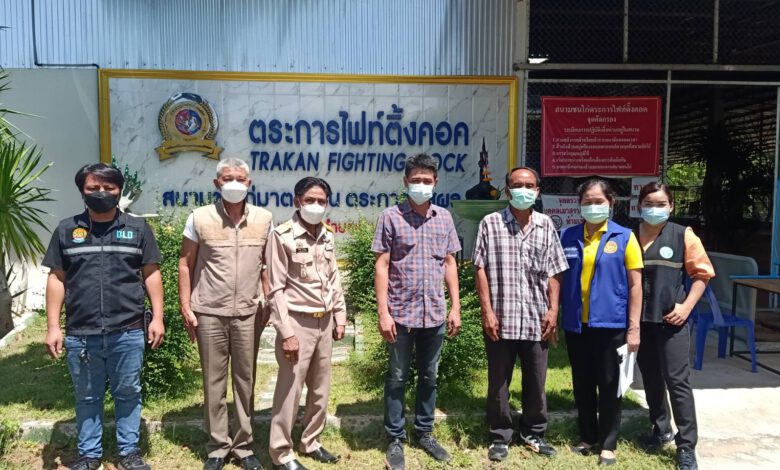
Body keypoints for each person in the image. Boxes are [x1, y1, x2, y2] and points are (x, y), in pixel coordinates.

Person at [43, 163, 165, 470]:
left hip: (128, 330)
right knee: (87, 397)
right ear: (82, 191)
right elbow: (57, 278)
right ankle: (89, 455)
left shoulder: (138, 229)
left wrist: (158, 317)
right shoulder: (66, 230)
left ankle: (129, 453)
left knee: (128, 394)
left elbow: (151, 273)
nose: (101, 193)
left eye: (109, 187)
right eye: (93, 187)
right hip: (81, 334)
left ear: (119, 190)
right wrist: (53, 326)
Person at [178, 158, 272, 470]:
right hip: (209, 311)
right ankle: (218, 447)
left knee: (246, 380)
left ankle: (243, 446)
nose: (234, 183)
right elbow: (185, 263)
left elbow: (266, 265)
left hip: (248, 312)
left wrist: (269, 301)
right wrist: (185, 305)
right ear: (217, 183)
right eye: (227, 178)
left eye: (240, 178)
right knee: (213, 381)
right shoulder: (199, 217)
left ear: (249, 183)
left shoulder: (264, 219)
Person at [473, 167, 569, 462]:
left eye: (529, 186)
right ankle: (500, 435)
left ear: (538, 191)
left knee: (536, 382)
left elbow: (555, 270)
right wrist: (487, 311)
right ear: (507, 190)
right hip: (501, 319)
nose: (523, 190)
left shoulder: (545, 225)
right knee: (498, 383)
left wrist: (553, 310)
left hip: (536, 319)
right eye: (517, 185)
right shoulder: (490, 223)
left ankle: (533, 432)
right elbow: (480, 268)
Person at [372, 153, 462, 470]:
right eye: (416, 180)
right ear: (405, 182)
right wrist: (383, 313)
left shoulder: (444, 218)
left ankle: (424, 432)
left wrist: (456, 307)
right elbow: (382, 265)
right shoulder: (390, 217)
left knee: (429, 376)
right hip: (400, 314)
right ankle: (395, 438)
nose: (421, 185)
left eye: (427, 180)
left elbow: (449, 263)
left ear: (435, 182)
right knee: (397, 378)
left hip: (434, 313)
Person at [559, 178, 643, 466]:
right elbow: (558, 278)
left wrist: (634, 327)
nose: (593, 206)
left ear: (611, 203)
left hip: (611, 325)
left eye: (599, 201)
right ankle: (587, 437)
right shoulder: (567, 235)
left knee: (609, 385)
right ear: (579, 205)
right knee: (582, 383)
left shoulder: (625, 237)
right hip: (576, 325)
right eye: (587, 202)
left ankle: (608, 443)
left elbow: (635, 285)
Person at [266, 177, 347, 470]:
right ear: (297, 201)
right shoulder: (282, 236)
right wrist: (286, 333)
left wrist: (340, 316)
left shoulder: (327, 235)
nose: (316, 205)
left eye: (321, 201)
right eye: (310, 200)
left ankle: (311, 441)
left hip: (324, 321)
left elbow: (333, 278)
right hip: (296, 322)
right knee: (290, 390)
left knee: (320, 389)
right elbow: (274, 289)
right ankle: (281, 452)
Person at [635, 182, 714, 470]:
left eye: (660, 204)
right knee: (651, 378)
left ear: (671, 206)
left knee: (677, 382)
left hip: (672, 321)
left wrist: (685, 307)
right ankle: (660, 430)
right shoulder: (629, 235)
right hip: (640, 322)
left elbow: (702, 275)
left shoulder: (683, 235)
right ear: (639, 205)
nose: (654, 209)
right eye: (648, 204)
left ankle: (686, 446)